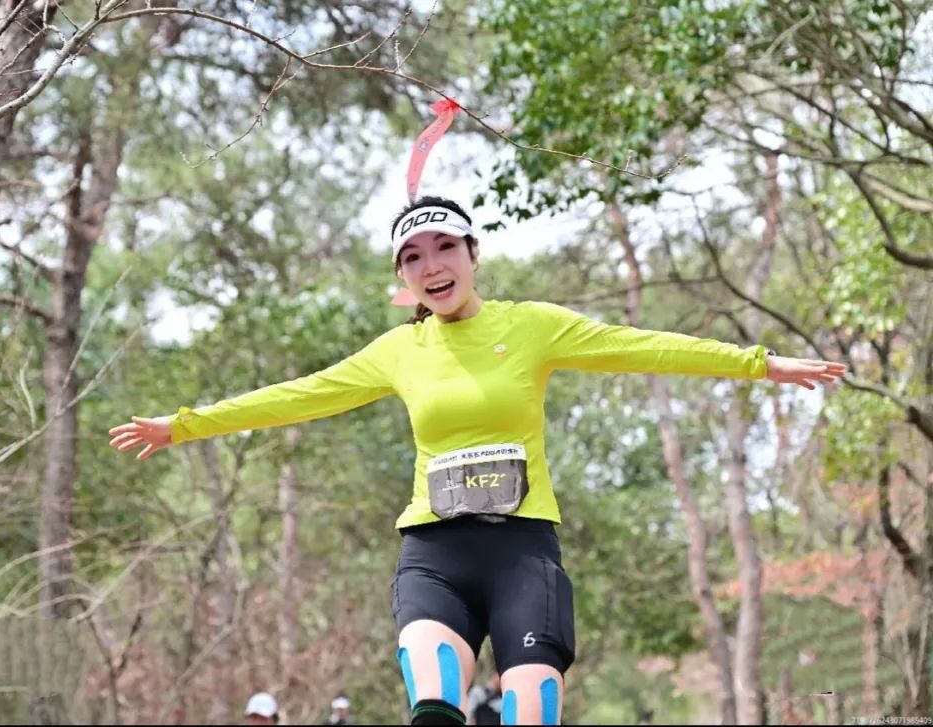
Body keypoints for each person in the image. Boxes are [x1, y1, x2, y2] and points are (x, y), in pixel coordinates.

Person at [109, 196, 846, 725]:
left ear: (471, 254)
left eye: (444, 248)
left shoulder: (531, 327)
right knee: (434, 704)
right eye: (413, 256)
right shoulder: (400, 350)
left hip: (523, 554)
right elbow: (300, 396)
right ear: (404, 276)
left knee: (529, 709)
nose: (432, 265)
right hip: (434, 554)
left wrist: (759, 364)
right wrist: (183, 426)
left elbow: (645, 345)